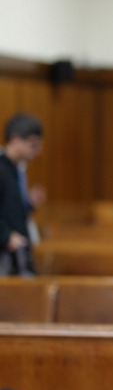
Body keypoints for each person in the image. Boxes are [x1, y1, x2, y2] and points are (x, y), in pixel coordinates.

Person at [0, 113, 44, 276]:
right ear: (15, 140)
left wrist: (29, 205)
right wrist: (6, 236)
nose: (38, 151)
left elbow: (10, 213)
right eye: (33, 145)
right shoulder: (1, 169)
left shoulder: (15, 170)